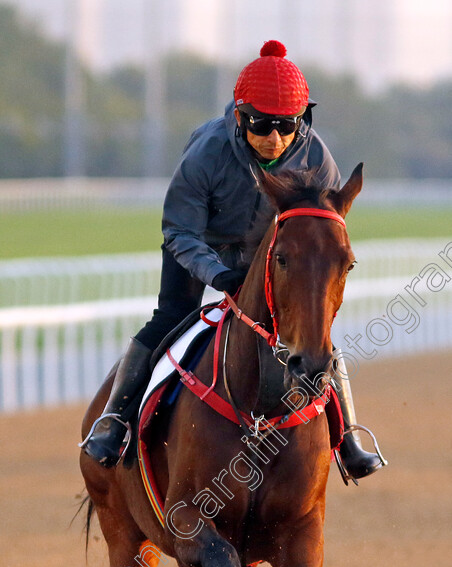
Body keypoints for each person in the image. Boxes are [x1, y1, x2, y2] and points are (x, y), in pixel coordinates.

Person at [81, 40, 384, 480]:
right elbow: (178, 230)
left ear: (303, 119)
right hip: (200, 246)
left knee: (311, 335)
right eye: (261, 124)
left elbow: (325, 226)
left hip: (273, 254)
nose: (274, 137)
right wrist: (219, 274)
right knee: (170, 316)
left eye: (285, 125)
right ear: (240, 117)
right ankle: (114, 420)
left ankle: (347, 437)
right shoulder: (207, 151)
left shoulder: (317, 157)